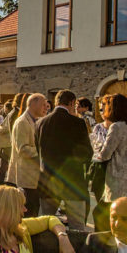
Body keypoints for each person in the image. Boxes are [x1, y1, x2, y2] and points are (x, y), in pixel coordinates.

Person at [36, 89, 92, 229]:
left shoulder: (40, 123)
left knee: (45, 224)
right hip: (72, 181)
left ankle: (46, 250)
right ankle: (74, 250)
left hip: (48, 180)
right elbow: (87, 153)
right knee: (77, 226)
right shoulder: (78, 123)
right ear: (72, 102)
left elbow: (38, 150)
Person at [94, 93, 127, 233]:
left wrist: (96, 151)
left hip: (118, 179)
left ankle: (105, 243)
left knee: (102, 214)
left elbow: (105, 154)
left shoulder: (117, 127)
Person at [7, 93, 45, 217]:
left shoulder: (36, 121)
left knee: (33, 211)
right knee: (28, 213)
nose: (46, 108)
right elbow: (22, 149)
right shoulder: (22, 122)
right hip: (25, 178)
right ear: (33, 104)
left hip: (33, 176)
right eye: (43, 105)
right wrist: (43, 151)